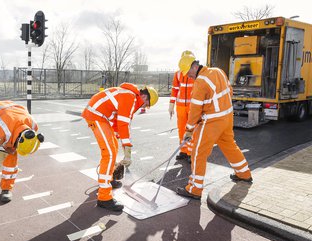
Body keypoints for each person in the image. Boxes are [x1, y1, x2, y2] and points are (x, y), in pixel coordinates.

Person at [175, 52, 253, 200]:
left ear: (194, 66)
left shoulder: (200, 82)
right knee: (230, 145)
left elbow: (195, 110)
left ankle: (195, 189)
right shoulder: (218, 71)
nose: (188, 76)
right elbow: (229, 91)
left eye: (188, 73)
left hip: (212, 121)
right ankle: (244, 174)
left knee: (198, 152)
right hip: (227, 117)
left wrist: (189, 130)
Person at [82, 83, 159, 211]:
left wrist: (117, 138)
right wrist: (127, 149)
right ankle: (104, 198)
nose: (144, 107)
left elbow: (119, 122)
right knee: (110, 154)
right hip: (97, 116)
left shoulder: (131, 97)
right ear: (145, 97)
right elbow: (123, 124)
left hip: (101, 116)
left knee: (112, 149)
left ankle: (109, 179)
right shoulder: (130, 97)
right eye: (146, 104)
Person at [169, 50, 196, 162]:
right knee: (181, 129)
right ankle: (184, 151)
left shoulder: (194, 73)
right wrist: (171, 104)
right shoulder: (178, 73)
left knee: (191, 129)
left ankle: (191, 153)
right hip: (180, 106)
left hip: (192, 106)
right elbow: (175, 89)